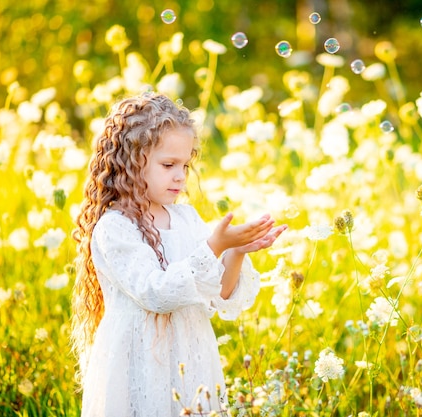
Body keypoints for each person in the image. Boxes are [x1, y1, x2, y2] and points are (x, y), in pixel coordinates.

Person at [71, 92, 287, 416]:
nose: (180, 176)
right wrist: (214, 246)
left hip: (191, 360)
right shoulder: (115, 227)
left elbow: (221, 292)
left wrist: (235, 250)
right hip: (139, 364)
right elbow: (156, 293)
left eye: (185, 165)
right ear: (131, 161)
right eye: (168, 164)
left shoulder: (187, 219)